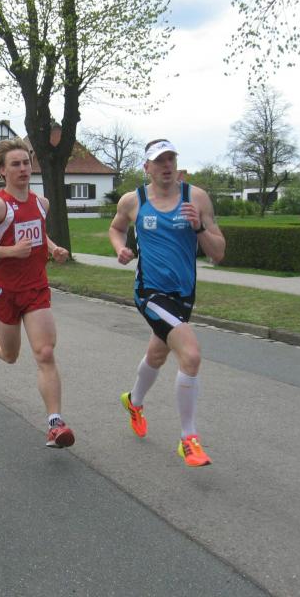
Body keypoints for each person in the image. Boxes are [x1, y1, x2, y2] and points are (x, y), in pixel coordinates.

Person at [108, 139, 226, 467]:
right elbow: (116, 229)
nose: (166, 166)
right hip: (150, 292)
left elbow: (218, 253)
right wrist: (120, 248)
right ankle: (189, 439)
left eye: (171, 159)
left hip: (184, 295)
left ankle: (133, 402)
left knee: (158, 355)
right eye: (159, 161)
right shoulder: (134, 200)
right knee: (191, 355)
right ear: (147, 167)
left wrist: (198, 227)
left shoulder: (196, 198)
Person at [0, 138, 73, 448]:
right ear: (3, 170)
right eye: (16, 164)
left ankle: (55, 423)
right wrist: (10, 251)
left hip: (36, 287)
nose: (23, 169)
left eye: (26, 162)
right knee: (10, 355)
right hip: (5, 290)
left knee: (45, 352)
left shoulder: (42, 203)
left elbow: (38, 233)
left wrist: (53, 248)